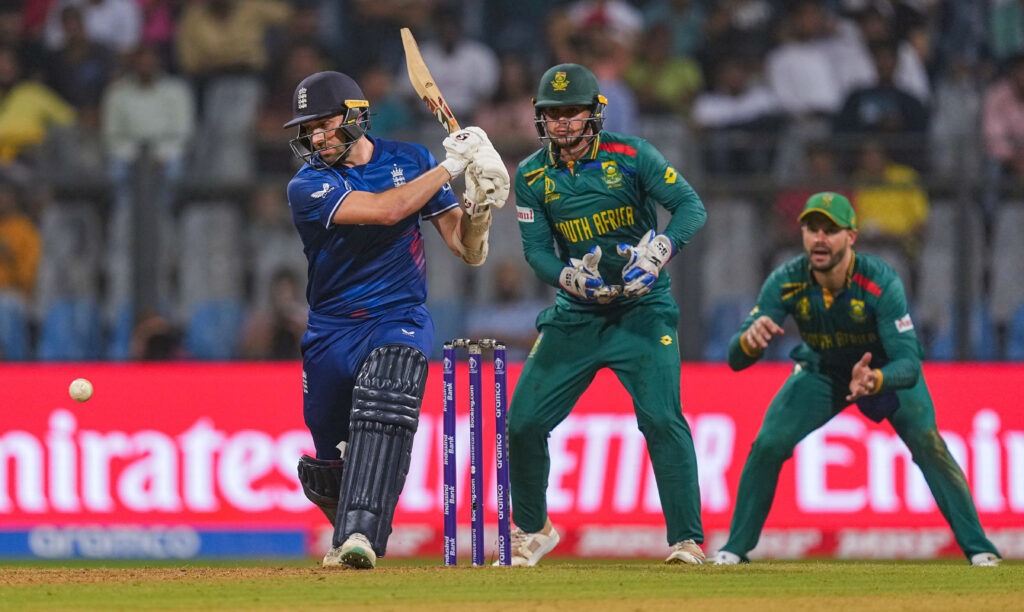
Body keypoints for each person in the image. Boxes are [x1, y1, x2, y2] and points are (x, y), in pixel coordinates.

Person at [283, 70, 508, 570]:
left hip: (397, 315)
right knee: (326, 468)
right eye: (309, 129)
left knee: (386, 399)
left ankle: (362, 534)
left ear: (356, 117)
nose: (316, 138)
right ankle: (347, 525)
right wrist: (453, 163)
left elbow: (466, 250)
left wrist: (479, 206)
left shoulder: (410, 160)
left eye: (324, 124)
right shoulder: (308, 184)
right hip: (331, 329)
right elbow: (387, 210)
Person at [708, 192, 1002, 568]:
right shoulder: (786, 279)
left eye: (831, 230)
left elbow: (909, 364)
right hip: (823, 370)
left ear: (851, 237)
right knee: (768, 444)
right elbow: (735, 359)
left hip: (883, 371)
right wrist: (748, 342)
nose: (819, 238)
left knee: (928, 443)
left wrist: (876, 379)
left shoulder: (880, 281)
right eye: (812, 229)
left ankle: (979, 550)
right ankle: (735, 549)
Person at [507, 63, 707, 566]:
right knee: (523, 424)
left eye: (572, 112)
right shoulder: (532, 175)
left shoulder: (634, 155)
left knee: (662, 419)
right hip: (577, 316)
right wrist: (569, 278)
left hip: (643, 309)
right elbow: (536, 253)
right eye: (552, 114)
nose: (562, 124)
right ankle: (533, 530)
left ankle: (687, 540)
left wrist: (659, 251)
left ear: (595, 113)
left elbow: (690, 207)